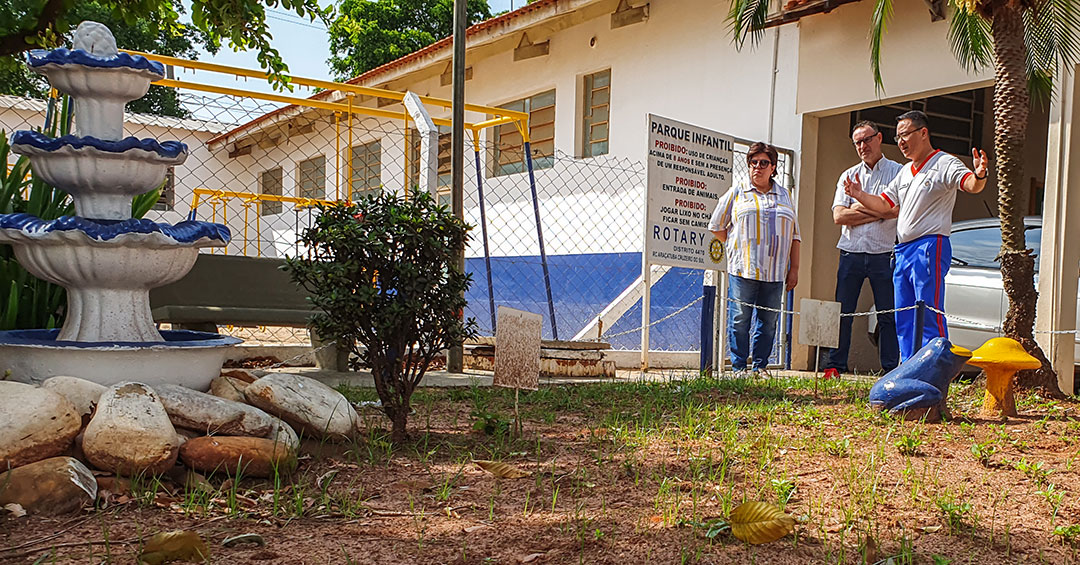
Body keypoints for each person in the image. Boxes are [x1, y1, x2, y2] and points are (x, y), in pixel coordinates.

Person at [844, 110, 988, 361]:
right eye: (897, 136)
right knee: (905, 315)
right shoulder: (905, 171)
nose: (900, 142)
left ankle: (933, 369)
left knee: (928, 312)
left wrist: (980, 174)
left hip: (930, 245)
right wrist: (858, 194)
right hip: (902, 250)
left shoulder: (944, 162)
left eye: (905, 135)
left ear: (923, 133)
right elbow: (884, 204)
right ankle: (909, 366)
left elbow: (971, 185)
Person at [709, 142, 801, 377]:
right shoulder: (737, 191)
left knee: (768, 322)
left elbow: (795, 235)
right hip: (744, 269)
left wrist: (794, 269)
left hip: (776, 271)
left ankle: (760, 367)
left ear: (773, 167)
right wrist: (735, 244)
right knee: (740, 319)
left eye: (763, 163)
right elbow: (717, 226)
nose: (757, 167)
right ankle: (740, 367)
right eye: (753, 163)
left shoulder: (785, 195)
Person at [824, 121, 902, 377]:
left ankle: (890, 368)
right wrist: (877, 212)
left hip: (884, 253)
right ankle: (836, 366)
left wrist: (859, 208)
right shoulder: (848, 175)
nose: (862, 146)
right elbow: (838, 217)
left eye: (867, 139)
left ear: (879, 138)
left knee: (887, 314)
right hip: (851, 252)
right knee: (842, 312)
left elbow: (896, 211)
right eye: (857, 142)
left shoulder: (898, 172)